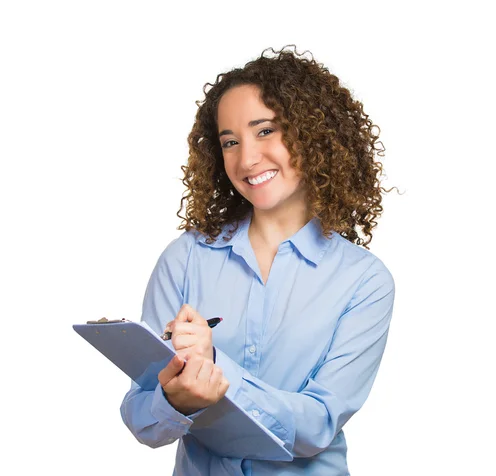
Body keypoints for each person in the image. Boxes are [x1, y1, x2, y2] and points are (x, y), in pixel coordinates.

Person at [120, 46, 395, 475]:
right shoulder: (185, 259)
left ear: (313, 133)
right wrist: (175, 398)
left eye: (265, 131)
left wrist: (215, 371)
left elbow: (317, 425)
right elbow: (141, 417)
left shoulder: (364, 281)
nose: (246, 159)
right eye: (230, 141)